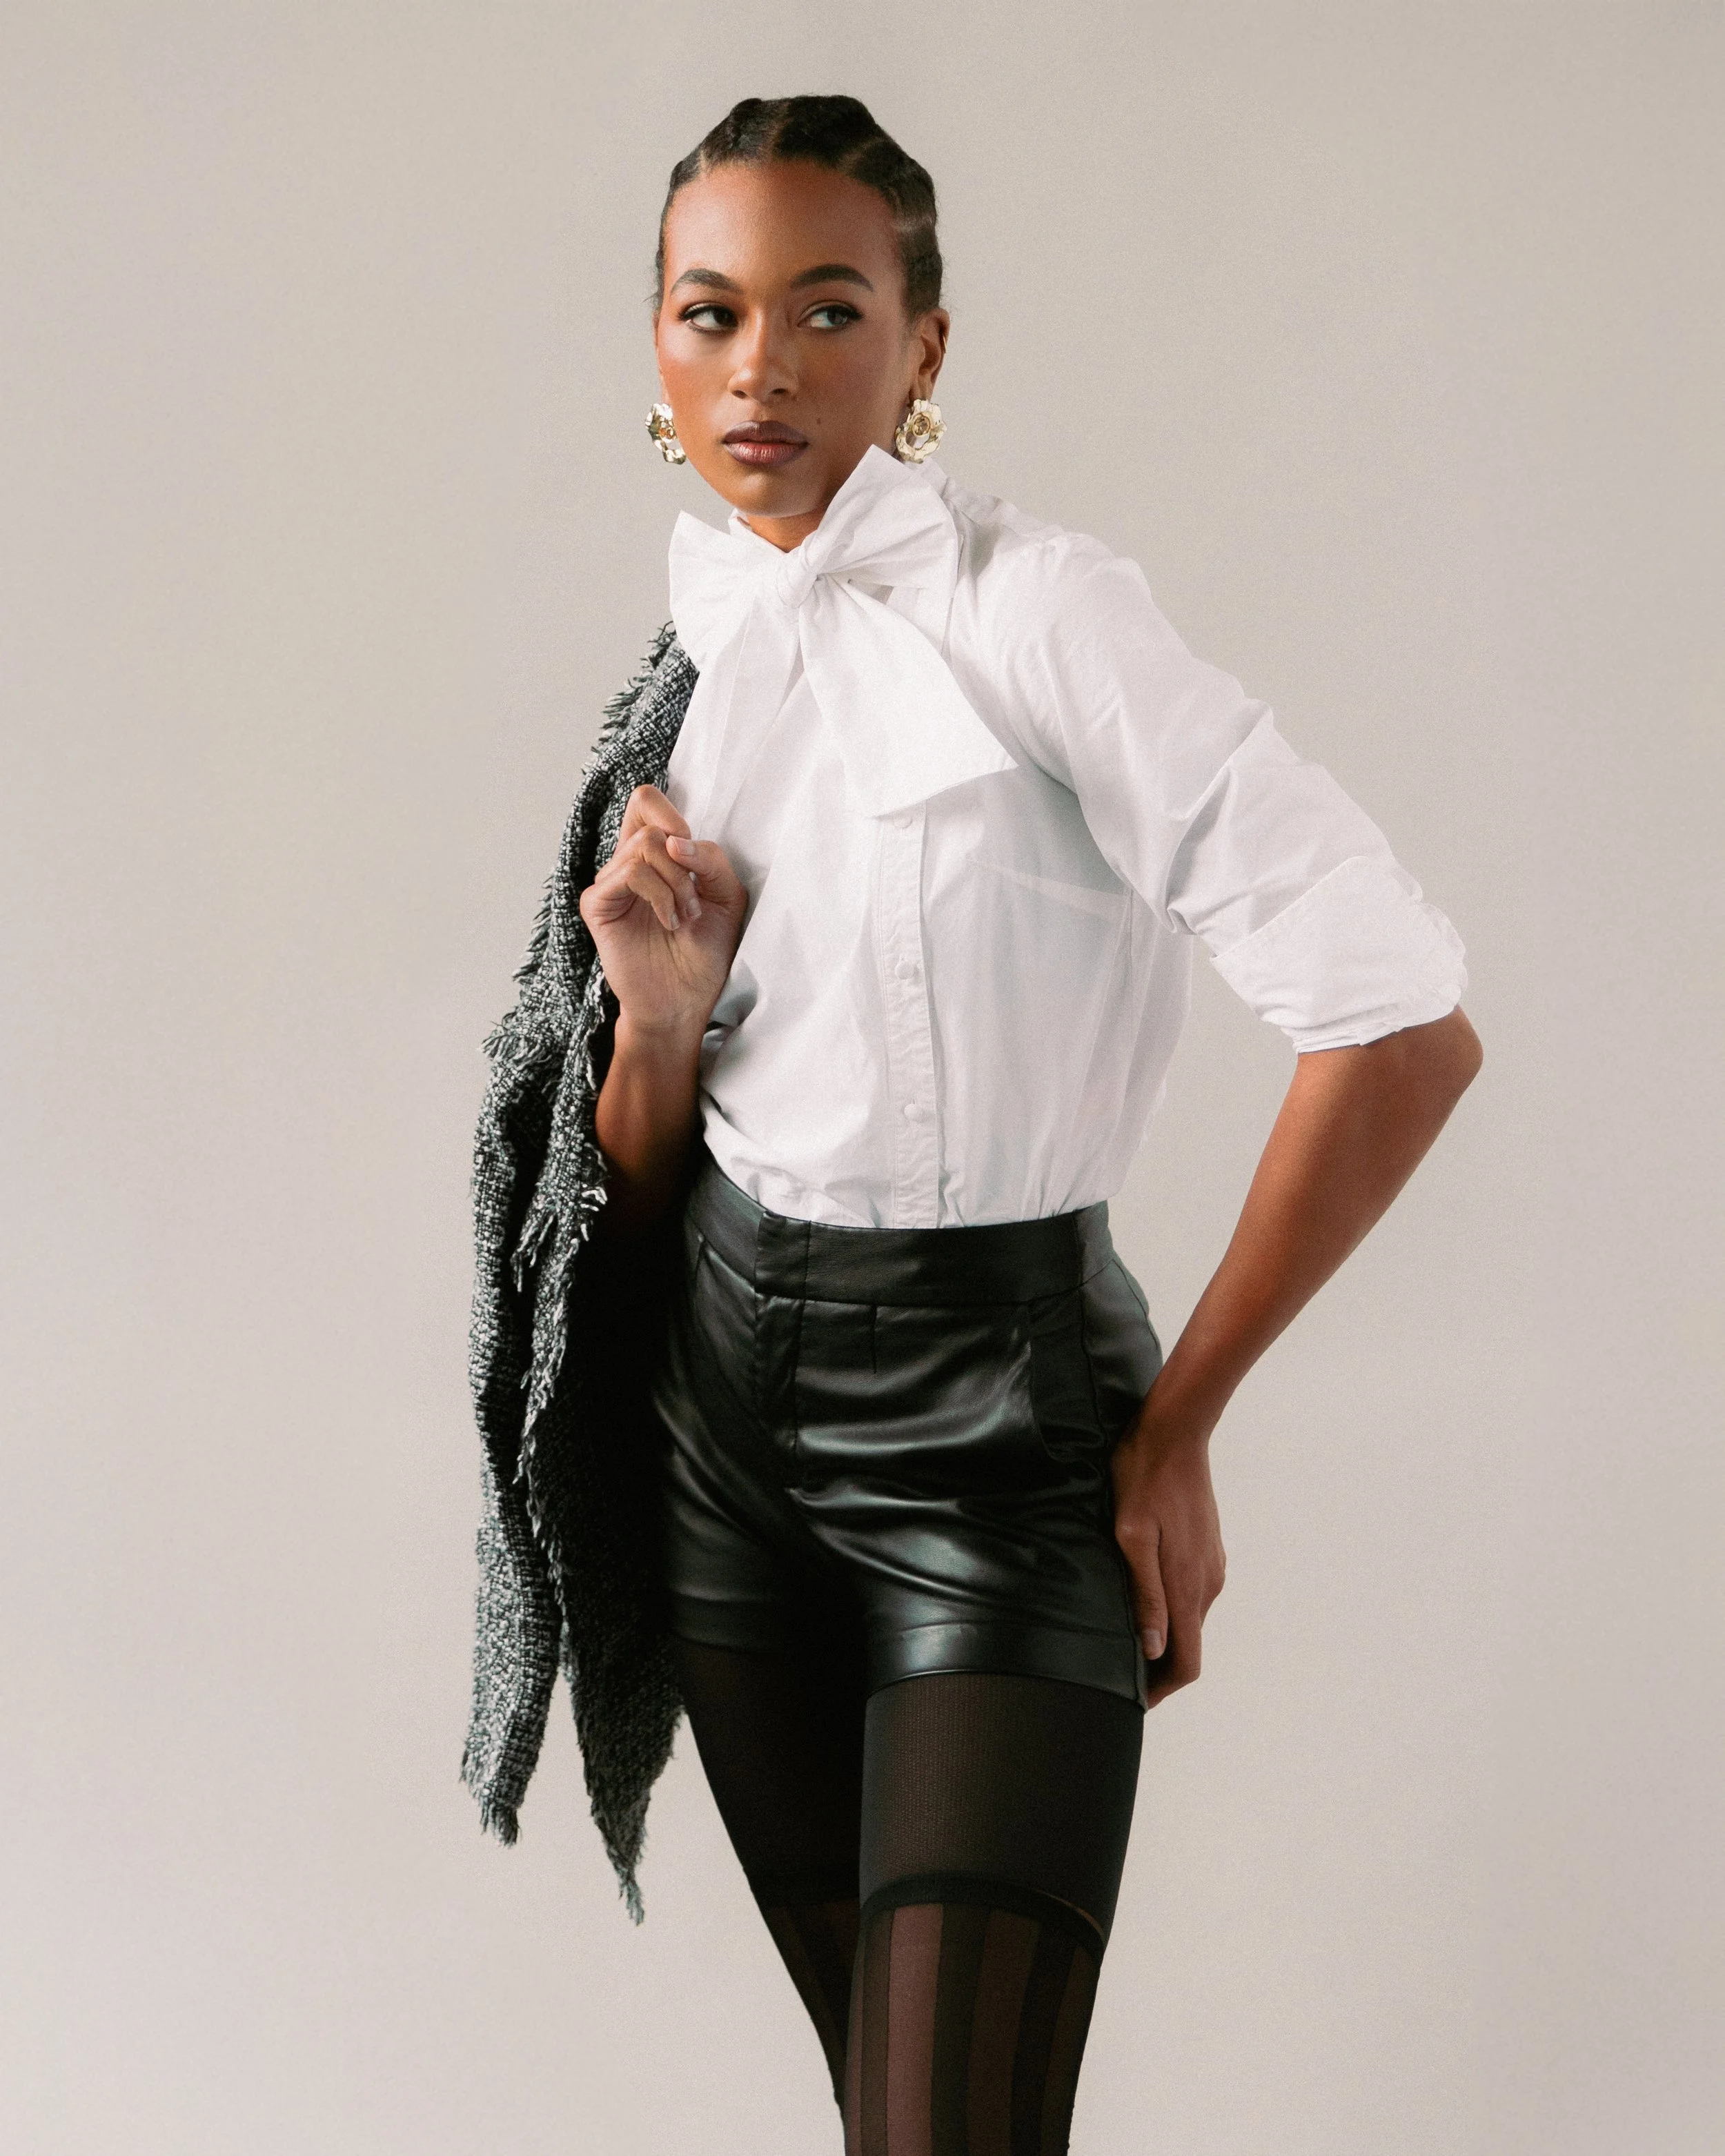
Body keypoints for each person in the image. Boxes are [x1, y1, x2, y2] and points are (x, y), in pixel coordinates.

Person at [544, 92, 1481, 2153]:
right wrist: (666, 1015)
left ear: (925, 346)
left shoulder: (1043, 615)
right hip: (723, 1440)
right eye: (710, 315)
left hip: (997, 1434)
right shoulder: (695, 667)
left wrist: (1175, 1421)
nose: (762, 370)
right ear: (656, 346)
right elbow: (626, 1180)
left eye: (826, 309)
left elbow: (1399, 1020)